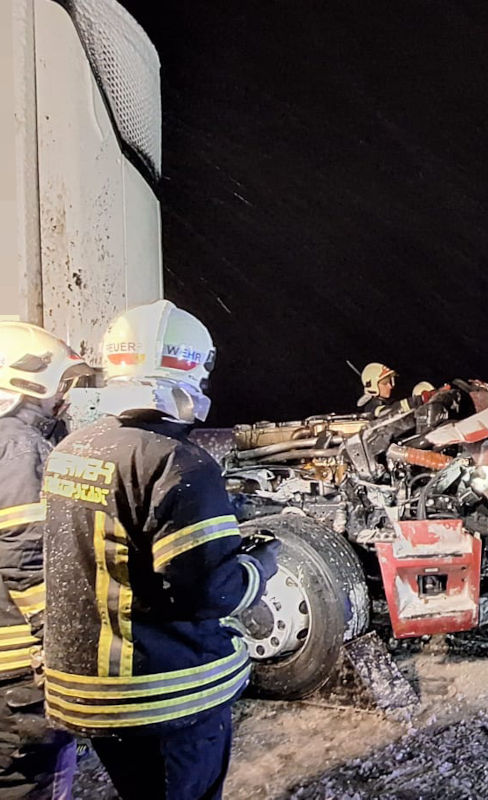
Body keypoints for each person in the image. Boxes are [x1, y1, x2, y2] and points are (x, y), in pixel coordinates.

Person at [40, 300, 277, 800]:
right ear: (194, 367)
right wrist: (259, 565)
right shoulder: (178, 463)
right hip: (160, 696)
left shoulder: (73, 449)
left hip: (87, 687)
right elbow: (209, 593)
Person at [0, 321, 90, 800]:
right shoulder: (20, 447)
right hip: (15, 668)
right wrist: (58, 645)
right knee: (30, 784)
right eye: (63, 384)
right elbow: (28, 553)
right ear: (28, 382)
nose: (67, 397)